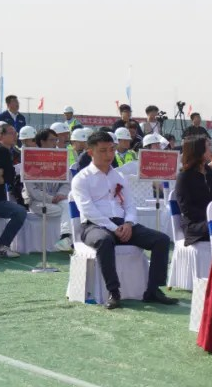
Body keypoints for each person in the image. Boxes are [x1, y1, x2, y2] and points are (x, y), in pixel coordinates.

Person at [70, 130, 176, 308]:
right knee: (104, 241)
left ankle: (153, 290)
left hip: (121, 224)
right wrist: (113, 227)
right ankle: (114, 292)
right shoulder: (81, 179)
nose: (109, 155)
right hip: (94, 226)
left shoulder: (119, 177)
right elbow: (88, 210)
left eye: (111, 149)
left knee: (161, 240)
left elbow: (130, 205)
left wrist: (128, 223)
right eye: (103, 151)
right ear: (90, 152)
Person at [173, 136, 212, 246]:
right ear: (198, 151)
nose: (211, 150)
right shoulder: (184, 177)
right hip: (195, 225)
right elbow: (187, 209)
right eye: (208, 146)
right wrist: (211, 216)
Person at [0, 116, 26, 258]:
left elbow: (9, 177)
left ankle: (2, 245)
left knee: (20, 212)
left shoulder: (3, 152)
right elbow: (3, 174)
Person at [22, 129, 69, 228]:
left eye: (56, 140)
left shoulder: (60, 158)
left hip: (57, 198)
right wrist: (50, 199)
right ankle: (64, 233)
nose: (55, 143)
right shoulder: (29, 160)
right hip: (37, 202)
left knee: (68, 206)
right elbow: (32, 190)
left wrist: (61, 194)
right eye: (52, 140)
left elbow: (67, 181)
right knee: (62, 210)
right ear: (42, 142)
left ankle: (66, 234)